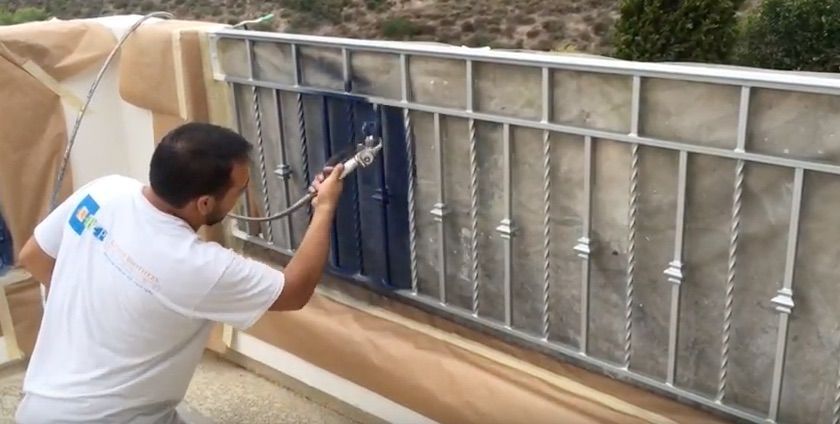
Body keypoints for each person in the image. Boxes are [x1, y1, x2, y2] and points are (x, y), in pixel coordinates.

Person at [14, 122, 345, 423]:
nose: (242, 197)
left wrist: (100, 307)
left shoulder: (103, 192)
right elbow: (294, 290)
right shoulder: (197, 266)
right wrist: (326, 207)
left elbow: (33, 255)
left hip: (38, 409)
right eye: (239, 191)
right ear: (203, 204)